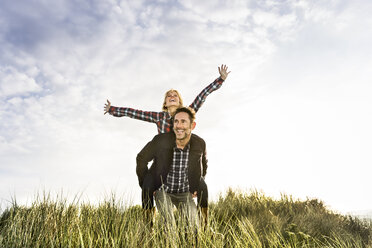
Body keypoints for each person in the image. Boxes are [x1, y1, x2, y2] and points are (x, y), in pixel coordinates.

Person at [104, 64, 230, 226]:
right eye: (169, 95)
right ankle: (148, 223)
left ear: (180, 101)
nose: (172, 96)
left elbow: (202, 96)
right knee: (148, 185)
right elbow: (135, 113)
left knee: (203, 186)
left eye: (175, 95)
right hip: (163, 163)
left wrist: (220, 80)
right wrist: (113, 110)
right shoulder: (159, 117)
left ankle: (204, 224)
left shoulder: (188, 112)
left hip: (183, 163)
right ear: (165, 102)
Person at [136, 107, 206, 239]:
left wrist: (197, 184)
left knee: (195, 229)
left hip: (185, 193)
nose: (179, 125)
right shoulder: (161, 140)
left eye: (183, 122)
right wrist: (147, 185)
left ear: (192, 125)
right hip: (164, 191)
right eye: (176, 121)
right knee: (169, 224)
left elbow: (203, 164)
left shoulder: (199, 143)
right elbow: (141, 158)